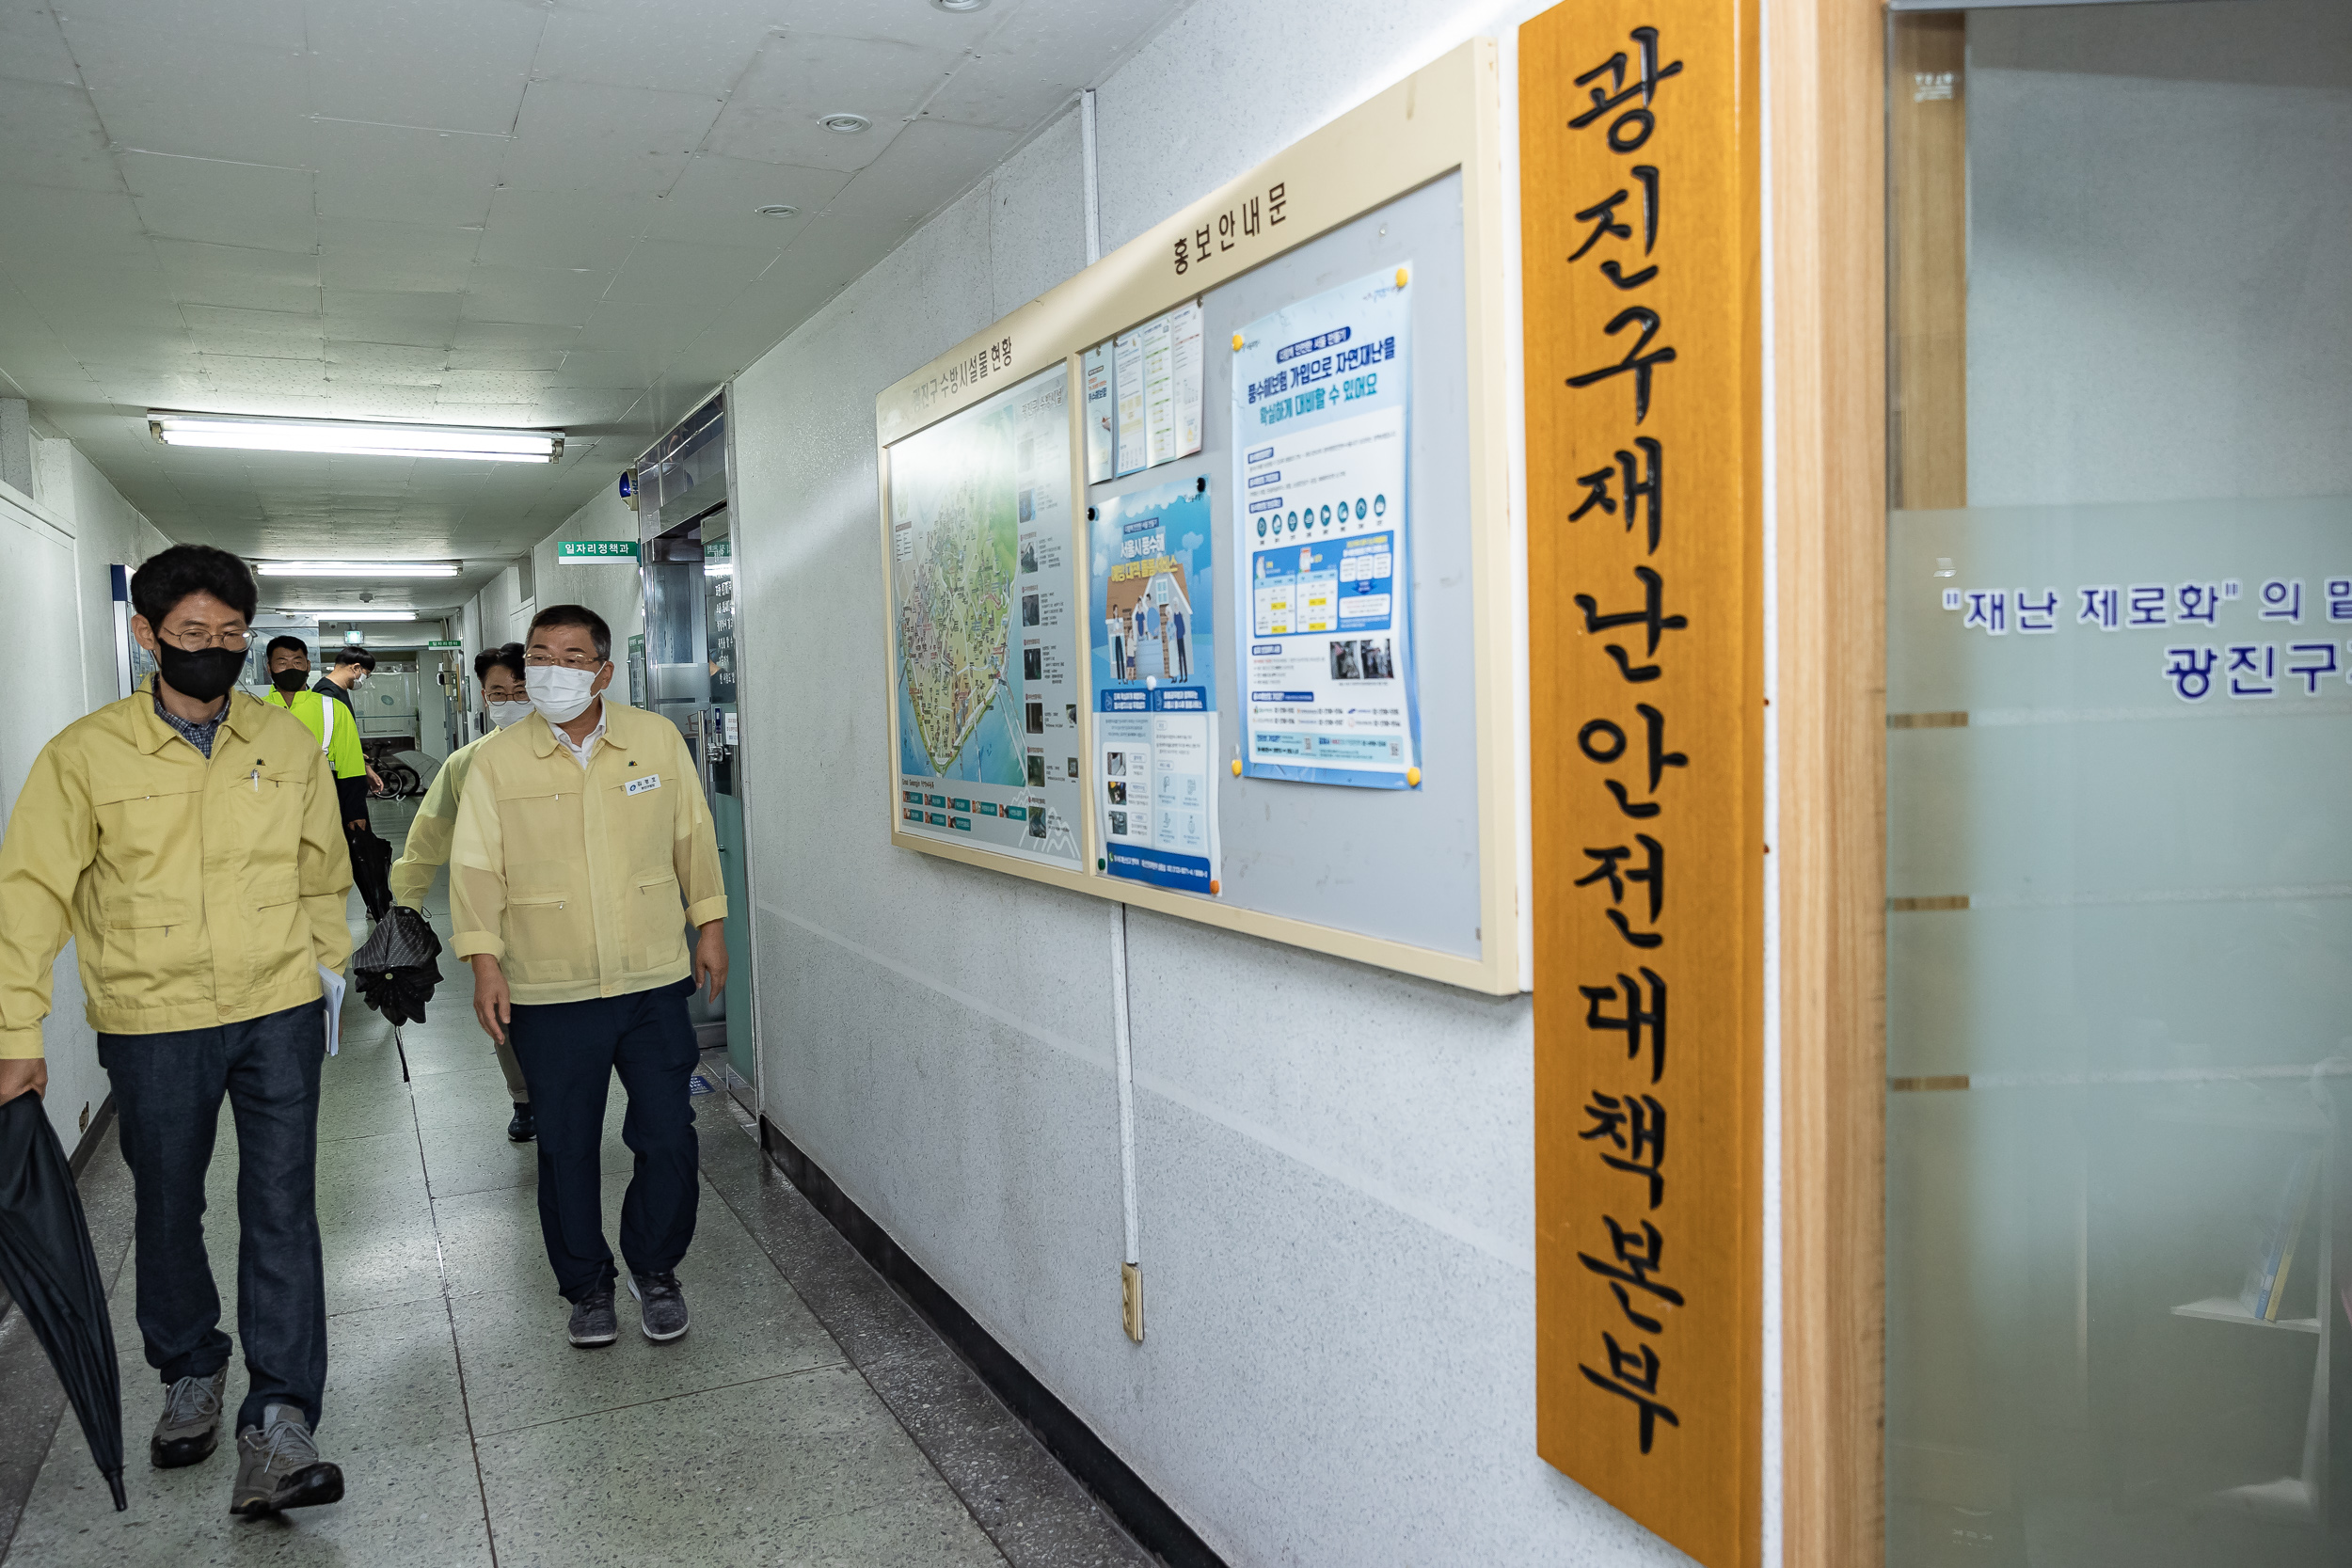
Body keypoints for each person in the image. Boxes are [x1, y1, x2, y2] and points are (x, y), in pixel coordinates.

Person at [0, 545, 353, 1516]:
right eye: (193, 634)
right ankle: (190, 1365)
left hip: (277, 1006)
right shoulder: (85, 753)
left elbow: (324, 870)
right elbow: (29, 892)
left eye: (232, 634)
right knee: (168, 1204)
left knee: (283, 1206)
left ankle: (279, 1418)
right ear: (147, 634)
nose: (216, 651)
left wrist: (327, 972)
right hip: (153, 1019)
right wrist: (11, 1029)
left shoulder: (284, 745)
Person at [449, 605, 726, 1349]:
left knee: (668, 1134)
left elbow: (692, 835)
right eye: (541, 653)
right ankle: (586, 1286)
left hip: (651, 977)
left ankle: (655, 1267)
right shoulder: (498, 760)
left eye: (572, 656)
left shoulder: (655, 740)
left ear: (603, 670)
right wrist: (484, 962)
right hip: (549, 985)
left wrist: (711, 924)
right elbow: (474, 866)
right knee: (566, 1145)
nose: (551, 668)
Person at [386, 643, 539, 1140]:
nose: (511, 701)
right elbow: (426, 836)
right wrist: (404, 908)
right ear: (483, 697)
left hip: (576, 909)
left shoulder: (578, 754)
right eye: (499, 693)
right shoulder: (466, 763)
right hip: (499, 913)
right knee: (505, 1010)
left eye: (522, 691)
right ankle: (524, 1100)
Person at [262, 636, 370, 832]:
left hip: (321, 806)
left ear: (308, 666)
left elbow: (351, 764)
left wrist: (355, 811)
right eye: (282, 662)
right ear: (269, 668)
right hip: (267, 808)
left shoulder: (333, 708)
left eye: (297, 662)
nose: (291, 668)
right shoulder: (255, 710)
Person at [313, 647, 385, 803]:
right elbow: (330, 742)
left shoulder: (339, 691)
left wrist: (363, 764)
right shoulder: (326, 694)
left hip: (345, 775)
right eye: (367, 674)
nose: (365, 679)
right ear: (356, 668)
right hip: (336, 779)